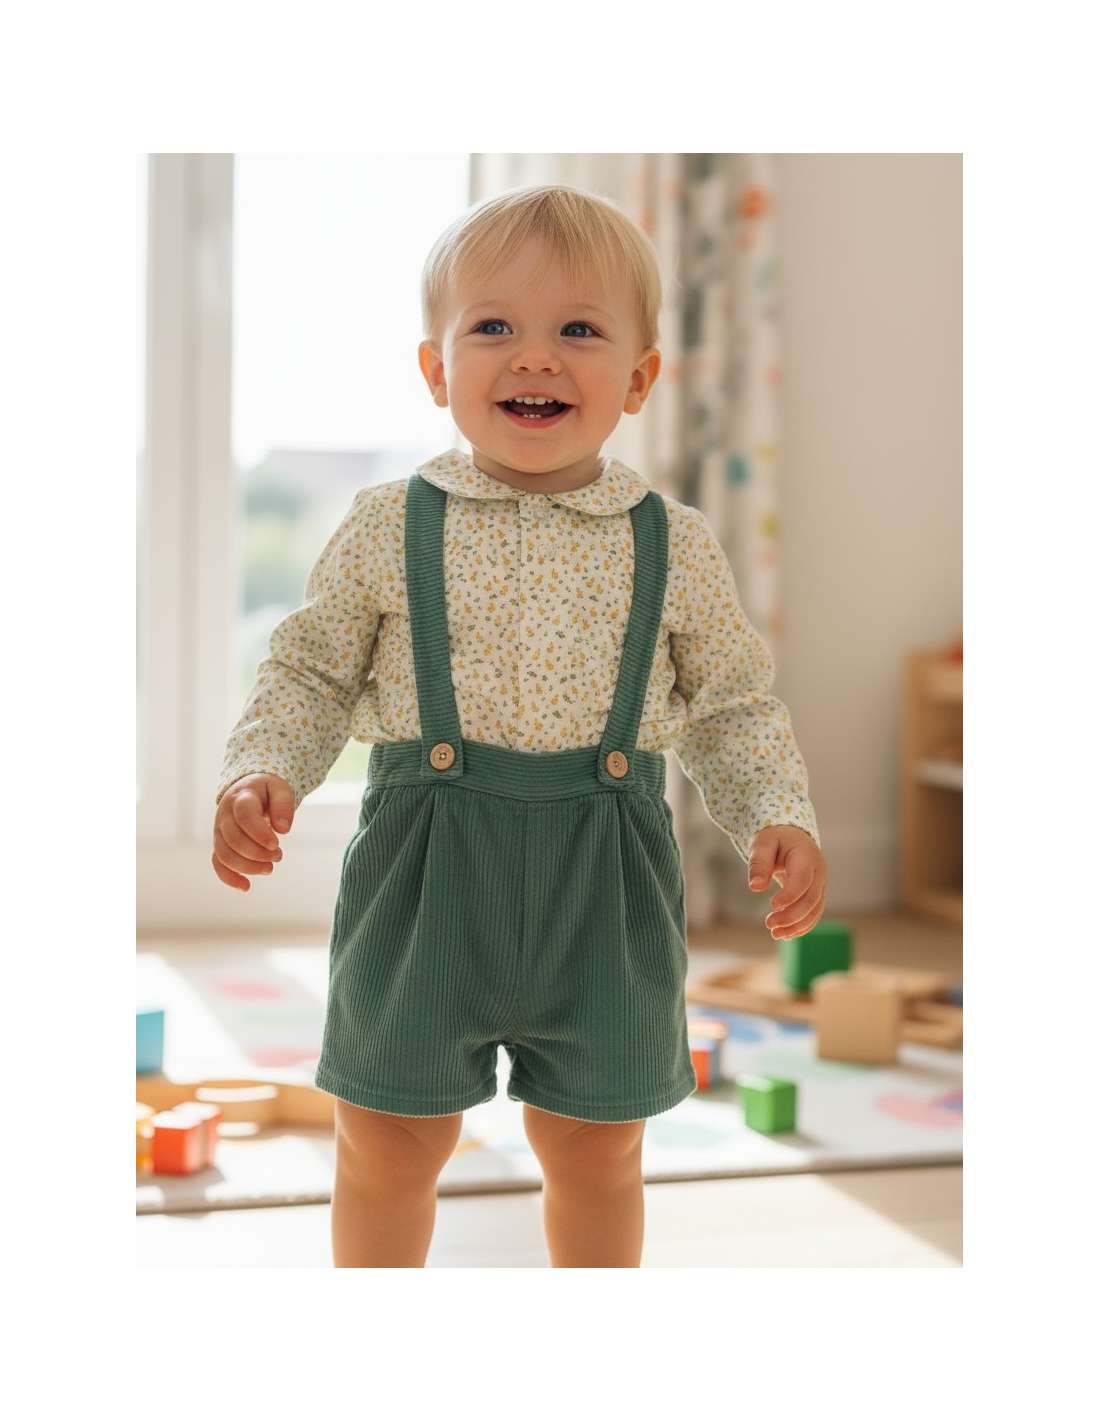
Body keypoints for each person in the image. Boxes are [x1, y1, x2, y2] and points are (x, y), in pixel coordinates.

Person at [212, 183, 827, 1268]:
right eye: (493, 326)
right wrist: (264, 767)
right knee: (386, 1142)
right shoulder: (388, 524)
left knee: (597, 1150)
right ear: (436, 368)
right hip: (425, 881)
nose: (534, 357)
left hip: (605, 890)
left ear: (638, 379)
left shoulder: (672, 542)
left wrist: (775, 811)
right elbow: (309, 670)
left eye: (578, 330)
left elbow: (731, 702)